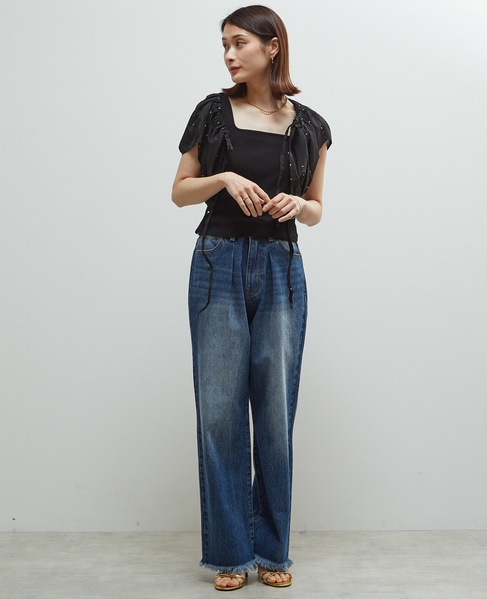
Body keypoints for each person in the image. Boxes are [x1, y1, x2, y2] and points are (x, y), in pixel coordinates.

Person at [172, 5, 331, 591]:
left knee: (274, 412)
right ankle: (229, 554)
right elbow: (179, 191)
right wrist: (222, 179)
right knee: (219, 414)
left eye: (239, 43)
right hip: (218, 264)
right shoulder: (213, 113)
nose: (229, 55)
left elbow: (317, 208)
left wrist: (300, 205)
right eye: (224, 45)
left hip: (281, 267)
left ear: (272, 47)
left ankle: (272, 551)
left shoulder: (311, 125)